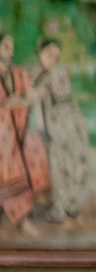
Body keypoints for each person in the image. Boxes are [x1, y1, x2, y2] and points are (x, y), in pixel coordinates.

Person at [25, 37, 91, 222]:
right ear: (40, 53)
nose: (53, 58)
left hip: (67, 123)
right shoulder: (35, 71)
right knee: (58, 165)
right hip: (51, 125)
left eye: (56, 55)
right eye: (49, 54)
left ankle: (68, 205)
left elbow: (40, 93)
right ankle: (62, 205)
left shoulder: (57, 72)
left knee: (71, 163)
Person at [0, 29, 51, 231]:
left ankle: (21, 212)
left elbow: (29, 94)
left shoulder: (19, 72)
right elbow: (9, 102)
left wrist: (26, 97)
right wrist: (25, 97)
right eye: (6, 46)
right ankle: (17, 214)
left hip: (19, 129)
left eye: (11, 46)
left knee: (32, 151)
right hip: (2, 133)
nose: (10, 51)